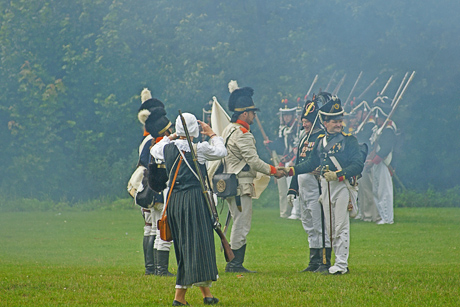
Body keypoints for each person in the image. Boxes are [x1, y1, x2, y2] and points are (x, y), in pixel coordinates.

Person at [283, 94, 364, 275]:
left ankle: (341, 265)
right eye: (333, 121)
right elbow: (309, 163)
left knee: (340, 226)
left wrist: (338, 175)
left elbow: (358, 165)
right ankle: (330, 263)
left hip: (342, 186)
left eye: (339, 120)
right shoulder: (321, 141)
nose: (338, 124)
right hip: (326, 188)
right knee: (329, 227)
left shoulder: (349, 140)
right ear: (325, 122)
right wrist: (289, 171)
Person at [151, 113, 226, 306]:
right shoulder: (198, 149)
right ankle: (179, 298)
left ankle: (207, 295)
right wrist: (212, 134)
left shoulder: (167, 147)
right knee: (195, 246)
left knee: (192, 246)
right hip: (194, 201)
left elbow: (155, 149)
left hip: (175, 201)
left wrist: (174, 135)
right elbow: (221, 151)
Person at [221, 81, 285, 273]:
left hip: (231, 182)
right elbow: (254, 161)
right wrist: (274, 171)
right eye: (252, 112)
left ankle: (234, 263)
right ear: (244, 114)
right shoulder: (242, 134)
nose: (254, 116)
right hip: (241, 184)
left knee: (238, 221)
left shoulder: (228, 129)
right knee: (242, 223)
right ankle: (235, 264)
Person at [287, 97, 331, 273]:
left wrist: (291, 171)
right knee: (308, 224)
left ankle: (324, 262)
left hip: (316, 186)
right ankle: (313, 261)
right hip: (303, 186)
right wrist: (293, 188)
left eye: (307, 121)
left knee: (320, 224)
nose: (304, 125)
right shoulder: (304, 138)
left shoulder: (321, 137)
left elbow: (316, 162)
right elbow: (298, 162)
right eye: (303, 121)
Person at [136, 88, 174, 276]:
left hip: (148, 189)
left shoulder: (148, 142)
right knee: (160, 229)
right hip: (158, 190)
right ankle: (160, 269)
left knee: (150, 228)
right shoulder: (163, 144)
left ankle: (151, 268)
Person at [264, 99, 299, 219]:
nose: (286, 117)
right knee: (283, 189)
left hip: (293, 160)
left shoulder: (297, 127)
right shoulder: (284, 128)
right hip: (285, 160)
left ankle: (295, 211)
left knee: (293, 186)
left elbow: (295, 146)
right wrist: (270, 144)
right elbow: (280, 143)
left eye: (288, 115)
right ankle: (286, 212)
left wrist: (290, 160)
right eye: (285, 115)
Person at [366, 96, 397, 224]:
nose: (376, 119)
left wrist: (373, 161)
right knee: (377, 190)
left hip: (383, 163)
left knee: (384, 191)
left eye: (378, 117)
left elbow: (385, 149)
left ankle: (387, 218)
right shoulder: (380, 129)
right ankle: (382, 216)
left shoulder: (388, 130)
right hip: (377, 162)